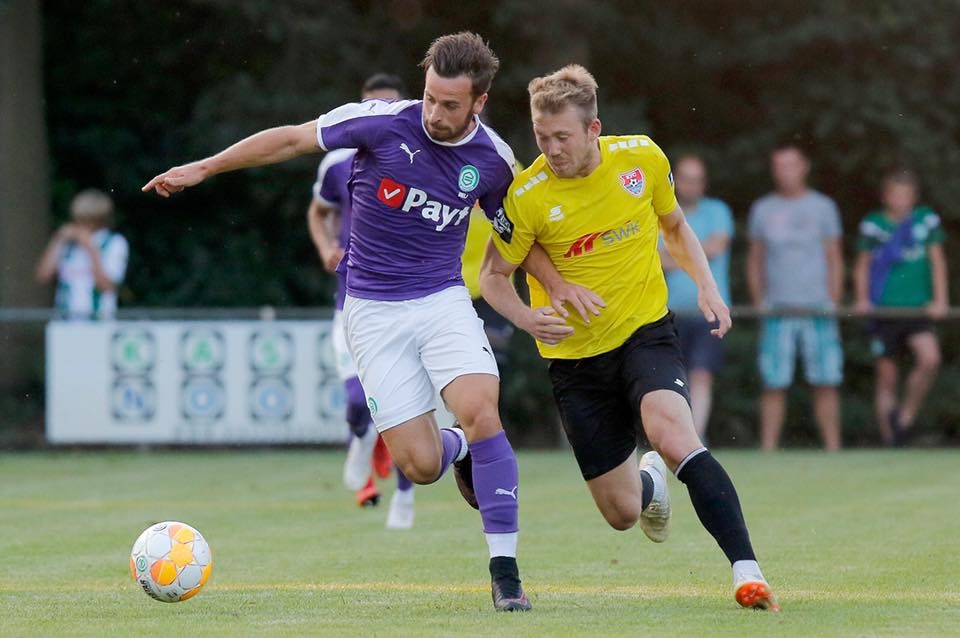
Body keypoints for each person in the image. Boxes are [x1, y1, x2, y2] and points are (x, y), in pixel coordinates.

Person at [144, 32, 560, 611]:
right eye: (430, 97)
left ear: (479, 103)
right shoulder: (379, 122)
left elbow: (519, 233)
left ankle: (506, 574)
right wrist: (205, 168)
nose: (435, 114)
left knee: (483, 410)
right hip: (372, 313)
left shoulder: (493, 160)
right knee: (419, 463)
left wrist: (559, 286)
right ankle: (459, 450)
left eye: (450, 105)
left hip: (442, 301)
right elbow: (290, 140)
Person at [479, 65, 779, 612]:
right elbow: (491, 277)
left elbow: (674, 226)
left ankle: (747, 571)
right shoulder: (525, 195)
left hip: (645, 332)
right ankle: (649, 486)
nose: (550, 149)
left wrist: (707, 287)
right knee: (621, 514)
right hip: (574, 361)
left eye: (561, 137)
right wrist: (527, 319)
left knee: (675, 436)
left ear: (594, 129)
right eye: (541, 137)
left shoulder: (641, 158)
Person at [306, 73, 417, 527]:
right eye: (372, 107)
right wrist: (326, 247)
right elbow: (319, 212)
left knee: (411, 402)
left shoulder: (421, 157)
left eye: (389, 107)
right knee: (358, 401)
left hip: (410, 300)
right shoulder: (337, 162)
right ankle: (361, 435)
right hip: (350, 300)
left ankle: (405, 499)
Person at [746, 142, 844, 452]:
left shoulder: (823, 207)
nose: (784, 172)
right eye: (778, 166)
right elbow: (755, 259)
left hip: (818, 307)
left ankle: (833, 449)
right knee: (773, 382)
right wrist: (759, 300)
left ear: (804, 167)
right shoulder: (762, 209)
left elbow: (835, 257)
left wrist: (834, 299)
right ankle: (769, 448)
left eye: (790, 165)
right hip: (778, 308)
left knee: (826, 381)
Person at [854, 169, 948, 446]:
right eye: (895, 195)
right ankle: (891, 441)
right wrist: (862, 299)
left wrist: (940, 300)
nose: (900, 201)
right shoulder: (874, 225)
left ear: (914, 198)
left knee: (930, 359)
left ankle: (904, 419)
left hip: (917, 309)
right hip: (885, 311)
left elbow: (937, 262)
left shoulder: (925, 222)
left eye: (906, 196)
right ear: (885, 197)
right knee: (887, 378)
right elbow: (862, 265)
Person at [658, 154, 734, 440]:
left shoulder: (718, 211)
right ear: (676, 181)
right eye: (686, 179)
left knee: (701, 375)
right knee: (671, 378)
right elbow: (658, 260)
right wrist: (696, 253)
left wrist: (677, 253)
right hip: (669, 311)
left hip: (709, 311)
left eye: (697, 180)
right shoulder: (660, 213)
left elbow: (717, 246)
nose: (692, 186)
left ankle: (695, 438)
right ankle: (679, 436)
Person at [36, 189, 129, 320]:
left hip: (98, 322)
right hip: (65, 323)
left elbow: (106, 286)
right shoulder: (69, 244)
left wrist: (90, 248)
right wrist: (58, 240)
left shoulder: (114, 242)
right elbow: (43, 276)